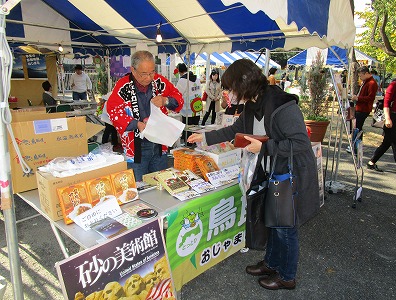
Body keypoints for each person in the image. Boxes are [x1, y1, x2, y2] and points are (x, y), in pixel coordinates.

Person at [188, 59, 320, 290]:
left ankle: (287, 276)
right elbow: (236, 130)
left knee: (285, 226)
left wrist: (265, 149)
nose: (228, 93)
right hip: (272, 171)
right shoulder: (252, 105)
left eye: (230, 88)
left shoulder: (281, 105)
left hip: (290, 173)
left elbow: (300, 143)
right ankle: (271, 263)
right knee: (273, 220)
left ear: (244, 83)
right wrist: (205, 138)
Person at [107, 50, 184, 181]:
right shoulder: (123, 86)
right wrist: (137, 124)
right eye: (144, 74)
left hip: (160, 143)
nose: (148, 78)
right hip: (137, 146)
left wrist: (166, 100)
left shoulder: (159, 81)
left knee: (162, 182)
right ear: (133, 69)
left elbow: (178, 98)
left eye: (152, 72)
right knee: (139, 185)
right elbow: (113, 111)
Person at [367, 74, 396, 178]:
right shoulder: (394, 84)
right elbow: (386, 102)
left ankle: (372, 162)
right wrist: (388, 118)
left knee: (387, 143)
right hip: (392, 116)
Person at [175, 63, 202, 144]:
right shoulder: (197, 78)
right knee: (196, 128)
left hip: (187, 110)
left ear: (179, 71)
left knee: (188, 129)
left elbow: (177, 94)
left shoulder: (182, 80)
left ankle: (189, 147)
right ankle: (196, 145)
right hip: (197, 107)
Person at [351, 66, 378, 133]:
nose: (360, 78)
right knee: (356, 126)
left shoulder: (372, 83)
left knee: (358, 127)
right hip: (360, 107)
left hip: (363, 109)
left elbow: (371, 97)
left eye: (361, 76)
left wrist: (358, 98)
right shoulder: (366, 82)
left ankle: (357, 141)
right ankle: (356, 141)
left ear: (366, 73)